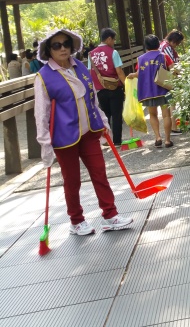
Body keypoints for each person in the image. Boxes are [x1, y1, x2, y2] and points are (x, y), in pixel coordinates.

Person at [33, 28, 134, 235]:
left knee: (100, 173)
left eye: (66, 44)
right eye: (56, 45)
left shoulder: (79, 66)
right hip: (64, 137)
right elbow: (41, 113)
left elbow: (92, 97)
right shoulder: (43, 77)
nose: (62, 49)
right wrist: (45, 145)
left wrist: (103, 120)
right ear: (48, 50)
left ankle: (110, 216)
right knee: (73, 181)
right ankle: (76, 220)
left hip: (88, 132)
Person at [129, 34, 173, 148]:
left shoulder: (141, 58)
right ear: (158, 44)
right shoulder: (164, 56)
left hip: (149, 92)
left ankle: (158, 137)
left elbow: (139, 74)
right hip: (164, 90)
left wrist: (132, 75)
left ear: (146, 46)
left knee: (153, 114)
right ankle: (168, 140)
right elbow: (173, 69)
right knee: (166, 115)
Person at [89, 28, 126, 146]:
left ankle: (106, 139)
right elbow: (119, 71)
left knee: (105, 115)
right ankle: (117, 141)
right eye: (114, 39)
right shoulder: (113, 52)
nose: (114, 42)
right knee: (116, 115)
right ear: (109, 39)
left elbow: (90, 72)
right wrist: (127, 85)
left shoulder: (91, 54)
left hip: (100, 89)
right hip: (115, 88)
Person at [159, 30, 184, 134]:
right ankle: (174, 127)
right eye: (177, 43)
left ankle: (172, 126)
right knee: (172, 102)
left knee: (168, 103)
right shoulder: (167, 47)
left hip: (163, 76)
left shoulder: (162, 45)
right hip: (168, 77)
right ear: (174, 41)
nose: (177, 45)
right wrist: (181, 74)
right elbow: (172, 65)